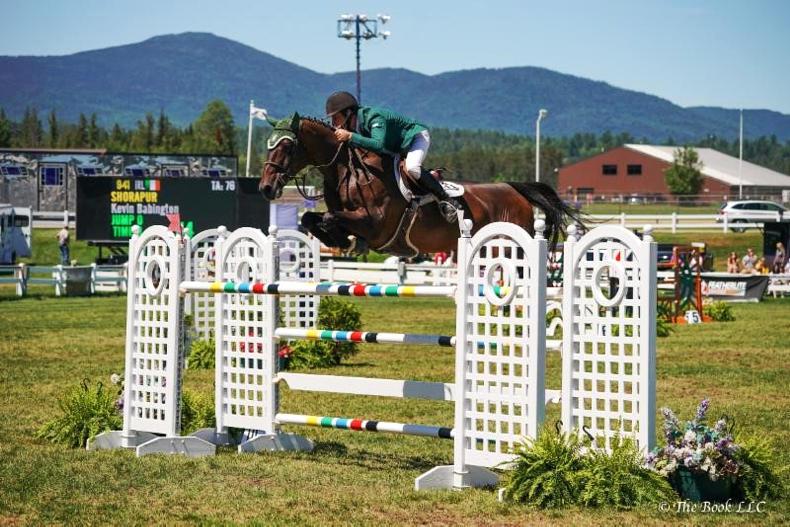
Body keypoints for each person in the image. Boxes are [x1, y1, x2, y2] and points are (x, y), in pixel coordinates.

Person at [325, 91, 460, 222]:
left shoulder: (374, 117)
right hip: (395, 147)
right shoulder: (354, 127)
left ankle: (447, 200)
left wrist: (350, 136)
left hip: (415, 138)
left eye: (335, 118)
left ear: (348, 113)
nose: (333, 123)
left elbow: (378, 145)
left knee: (412, 167)